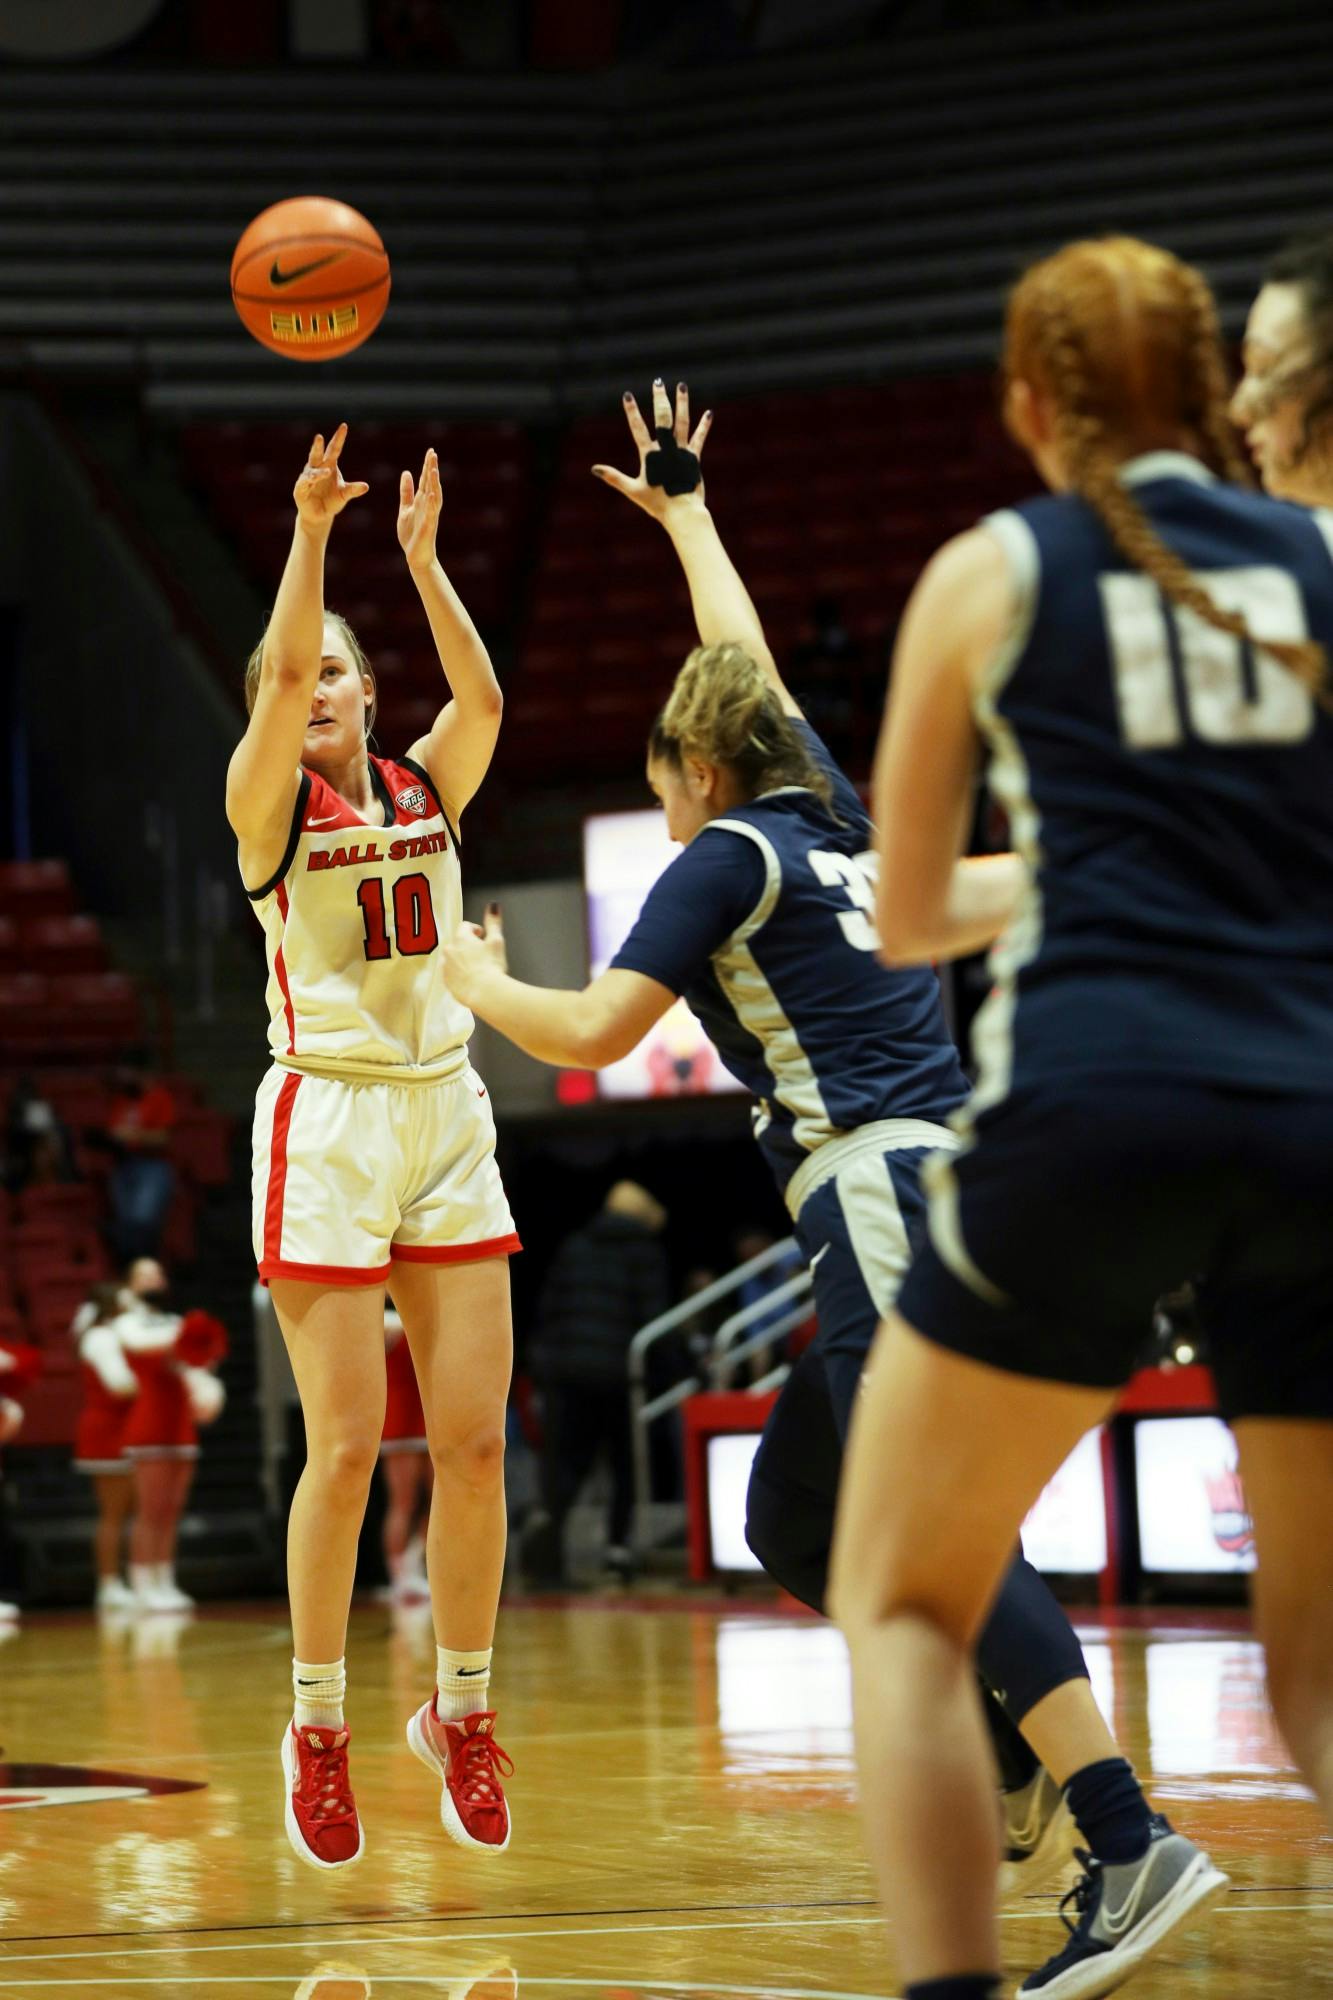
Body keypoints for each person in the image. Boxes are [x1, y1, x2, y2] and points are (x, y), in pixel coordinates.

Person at [442, 383, 1175, 1944]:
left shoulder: (724, 855)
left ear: (691, 776)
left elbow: (586, 1028)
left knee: (934, 1528)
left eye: (656, 785)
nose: (659, 809)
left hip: (878, 1185)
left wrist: (467, 977)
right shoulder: (833, 815)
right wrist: (691, 516)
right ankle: (1001, 1730)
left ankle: (1128, 1836)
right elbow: (746, 678)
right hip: (921, 1188)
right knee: (793, 1514)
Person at [826, 232, 1333, 2000]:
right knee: (1319, 1674)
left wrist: (1083, 865)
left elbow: (894, 915)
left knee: (895, 1593)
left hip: (1095, 1102)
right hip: (1312, 1105)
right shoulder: (1314, 562)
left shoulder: (994, 566)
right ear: (1209, 392)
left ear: (1027, 405)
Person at [225, 423, 519, 1871]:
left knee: (469, 1445)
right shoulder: (263, 805)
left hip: (444, 1112)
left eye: (343, 669)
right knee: (344, 1451)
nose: (321, 687)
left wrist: (418, 557)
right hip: (327, 1118)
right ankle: (319, 1727)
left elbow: (483, 689)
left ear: (371, 690)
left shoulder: (426, 783)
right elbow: (277, 670)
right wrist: (314, 529)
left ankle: (460, 1712)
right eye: (304, 676)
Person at [520, 1180, 669, 1588]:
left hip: (565, 1375)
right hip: (618, 1376)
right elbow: (652, 1318)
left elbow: (549, 1309)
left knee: (564, 1468)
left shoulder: (576, 1246)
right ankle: (617, 1553)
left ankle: (546, 1559)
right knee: (624, 1463)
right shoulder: (644, 1253)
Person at [118, 1258, 227, 1613]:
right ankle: (141, 1582)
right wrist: (183, 1336)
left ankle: (164, 1579)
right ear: (130, 1284)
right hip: (149, 1424)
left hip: (180, 1424)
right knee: (149, 1509)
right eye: (144, 1275)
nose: (153, 1279)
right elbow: (141, 1345)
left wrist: (208, 1389)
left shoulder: (175, 1322)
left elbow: (198, 1362)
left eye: (157, 1273)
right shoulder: (126, 1323)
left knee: (171, 1509)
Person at [72, 1278, 140, 1610]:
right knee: (114, 1512)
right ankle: (109, 1584)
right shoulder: (100, 1337)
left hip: (124, 1427)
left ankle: (128, 1580)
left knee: (131, 1511)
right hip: (107, 1428)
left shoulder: (114, 1334)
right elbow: (119, 1384)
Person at [380, 1303, 432, 1605]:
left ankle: (418, 1563)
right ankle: (398, 1576)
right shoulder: (384, 1322)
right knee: (403, 1501)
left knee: (439, 1498)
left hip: (430, 1412)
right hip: (399, 1417)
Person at [103, 1069, 177, 1263]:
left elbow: (163, 1137)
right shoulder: (122, 1100)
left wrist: (133, 1136)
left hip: (151, 1165)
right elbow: (112, 1131)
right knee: (125, 1223)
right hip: (123, 1165)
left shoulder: (159, 1097)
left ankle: (148, 1267)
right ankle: (130, 1270)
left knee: (143, 1220)